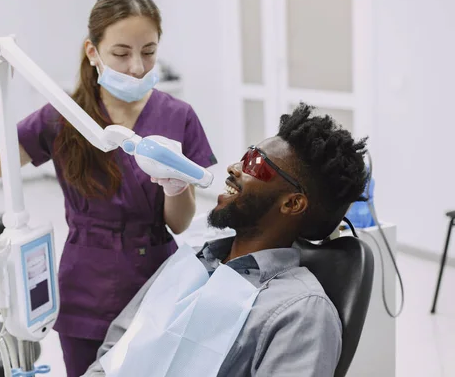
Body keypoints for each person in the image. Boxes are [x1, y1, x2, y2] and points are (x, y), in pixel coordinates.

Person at [0, 0, 217, 377]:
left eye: (148, 52)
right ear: (93, 52)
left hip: (155, 280)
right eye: (121, 53)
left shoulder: (177, 116)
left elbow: (180, 223)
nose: (137, 67)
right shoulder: (64, 116)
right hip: (85, 285)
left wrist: (175, 185)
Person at [82, 103, 369, 377]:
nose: (234, 167)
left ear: (292, 204)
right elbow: (114, 352)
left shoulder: (300, 312)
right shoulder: (190, 261)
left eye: (256, 165)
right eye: (246, 156)